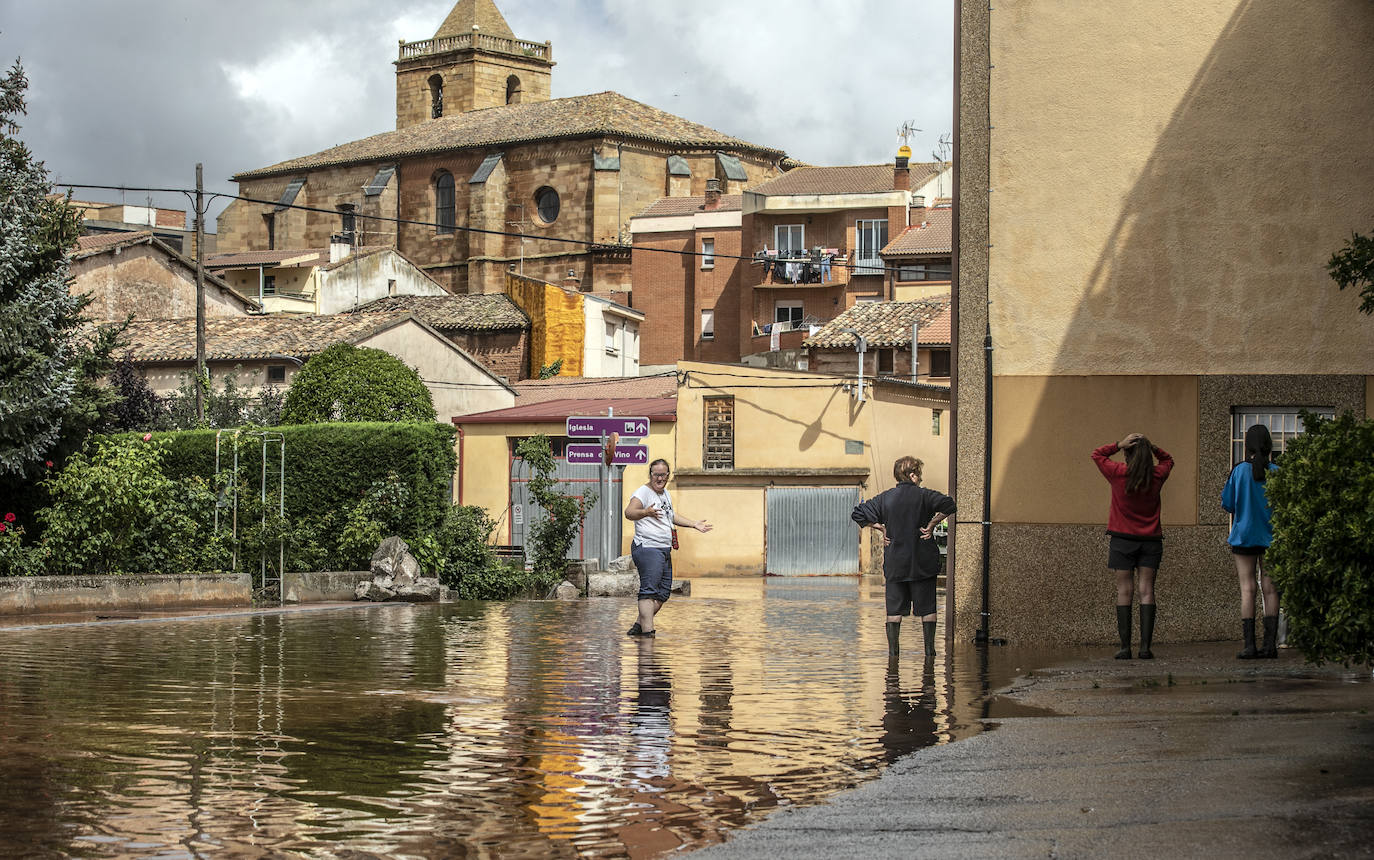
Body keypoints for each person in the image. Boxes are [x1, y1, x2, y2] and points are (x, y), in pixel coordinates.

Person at [851, 456, 956, 658]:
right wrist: (933, 524)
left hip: (896, 563)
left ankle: (893, 658)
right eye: (920, 475)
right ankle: (929, 656)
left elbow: (858, 514)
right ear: (913, 475)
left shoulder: (885, 498)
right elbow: (950, 505)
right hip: (923, 562)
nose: (921, 479)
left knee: (894, 612)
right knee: (928, 610)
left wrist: (880, 527)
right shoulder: (925, 496)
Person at [1092, 433, 1174, 660]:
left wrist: (1118, 444)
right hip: (1151, 541)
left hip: (1122, 540)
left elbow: (1097, 454)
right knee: (1147, 590)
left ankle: (1125, 647)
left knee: (1124, 591)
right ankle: (1145, 648)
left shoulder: (1118, 473)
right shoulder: (1156, 475)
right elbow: (1169, 461)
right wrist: (1153, 447)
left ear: (1127, 454)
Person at [623, 459, 712, 637]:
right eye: (656, 474)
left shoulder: (665, 494)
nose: (659, 478)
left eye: (663, 475)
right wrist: (645, 512)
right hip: (648, 547)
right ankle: (648, 634)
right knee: (648, 591)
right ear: (650, 475)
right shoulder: (643, 492)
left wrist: (693, 524)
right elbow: (629, 512)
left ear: (668, 476)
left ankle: (639, 627)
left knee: (663, 594)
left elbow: (670, 516)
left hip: (664, 549)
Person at [1222, 424, 1280, 659]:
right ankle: (1269, 645)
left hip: (1244, 537)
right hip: (1271, 538)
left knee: (1248, 589)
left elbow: (1228, 504)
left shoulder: (1238, 471)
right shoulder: (1277, 472)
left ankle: (1249, 645)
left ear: (1247, 446)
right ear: (1269, 445)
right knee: (1271, 590)